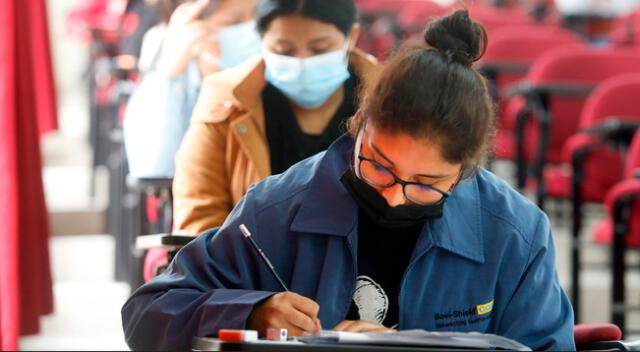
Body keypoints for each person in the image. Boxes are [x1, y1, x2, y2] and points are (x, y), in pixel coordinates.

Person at [122, 9, 575, 351]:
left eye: (425, 184)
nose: (395, 198)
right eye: (379, 166)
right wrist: (253, 312)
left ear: (466, 170)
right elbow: (147, 316)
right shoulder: (277, 209)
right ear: (359, 122)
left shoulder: (512, 232)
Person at [171, 0, 380, 235]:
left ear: (351, 36)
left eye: (319, 49)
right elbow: (200, 214)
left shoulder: (389, 98)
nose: (302, 62)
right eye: (284, 51)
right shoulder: (225, 101)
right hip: (249, 265)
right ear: (260, 40)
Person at [123, 0, 261, 178]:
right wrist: (172, 71)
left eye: (256, 15)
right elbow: (153, 168)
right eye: (234, 22)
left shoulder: (281, 70)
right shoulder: (169, 84)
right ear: (193, 27)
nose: (252, 30)